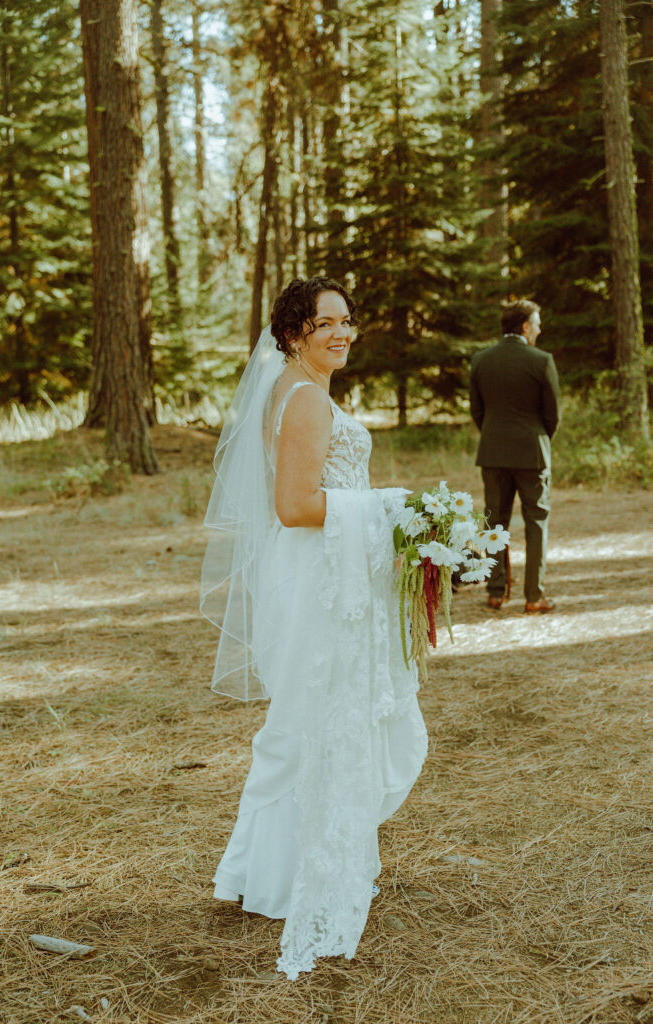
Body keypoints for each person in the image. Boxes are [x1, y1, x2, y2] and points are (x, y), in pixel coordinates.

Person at [200, 277, 428, 980]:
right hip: (316, 581)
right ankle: (285, 876)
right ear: (294, 333)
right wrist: (387, 507)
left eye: (347, 321)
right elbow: (296, 506)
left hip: (324, 576)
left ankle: (263, 874)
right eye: (325, 322)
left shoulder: (302, 392)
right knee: (313, 718)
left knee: (307, 720)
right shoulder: (301, 400)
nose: (341, 332)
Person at [469, 299, 561, 614]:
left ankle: (495, 593)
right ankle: (534, 596)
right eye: (536, 323)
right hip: (532, 453)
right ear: (524, 326)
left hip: (492, 452)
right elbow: (553, 415)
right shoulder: (542, 360)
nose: (540, 328)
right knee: (536, 523)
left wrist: (496, 436)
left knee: (495, 523)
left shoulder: (481, 360)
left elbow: (477, 411)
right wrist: (536, 438)